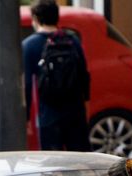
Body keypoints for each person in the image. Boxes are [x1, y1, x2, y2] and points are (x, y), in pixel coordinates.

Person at [23, 0, 91, 151]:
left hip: (48, 114)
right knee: (81, 161)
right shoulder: (72, 40)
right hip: (76, 112)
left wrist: (26, 117)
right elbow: (84, 75)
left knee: (52, 165)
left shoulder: (29, 45)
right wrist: (86, 105)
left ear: (35, 18)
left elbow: (27, 83)